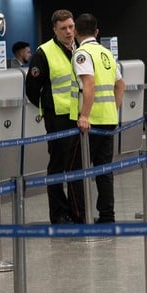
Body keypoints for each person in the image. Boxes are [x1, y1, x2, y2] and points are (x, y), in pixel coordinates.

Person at [25, 11, 81, 224]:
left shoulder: (79, 49)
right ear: (55, 30)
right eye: (64, 28)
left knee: (76, 164)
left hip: (78, 114)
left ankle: (77, 210)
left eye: (71, 26)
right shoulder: (44, 53)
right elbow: (31, 88)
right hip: (57, 116)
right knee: (58, 164)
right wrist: (46, 107)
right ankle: (58, 212)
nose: (69, 32)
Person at [70, 13, 124, 223]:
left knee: (77, 169)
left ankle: (81, 217)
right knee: (104, 170)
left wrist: (84, 115)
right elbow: (121, 85)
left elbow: (89, 84)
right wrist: (113, 107)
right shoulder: (106, 53)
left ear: (75, 32)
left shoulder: (82, 54)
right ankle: (107, 215)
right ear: (96, 32)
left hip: (91, 122)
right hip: (109, 120)